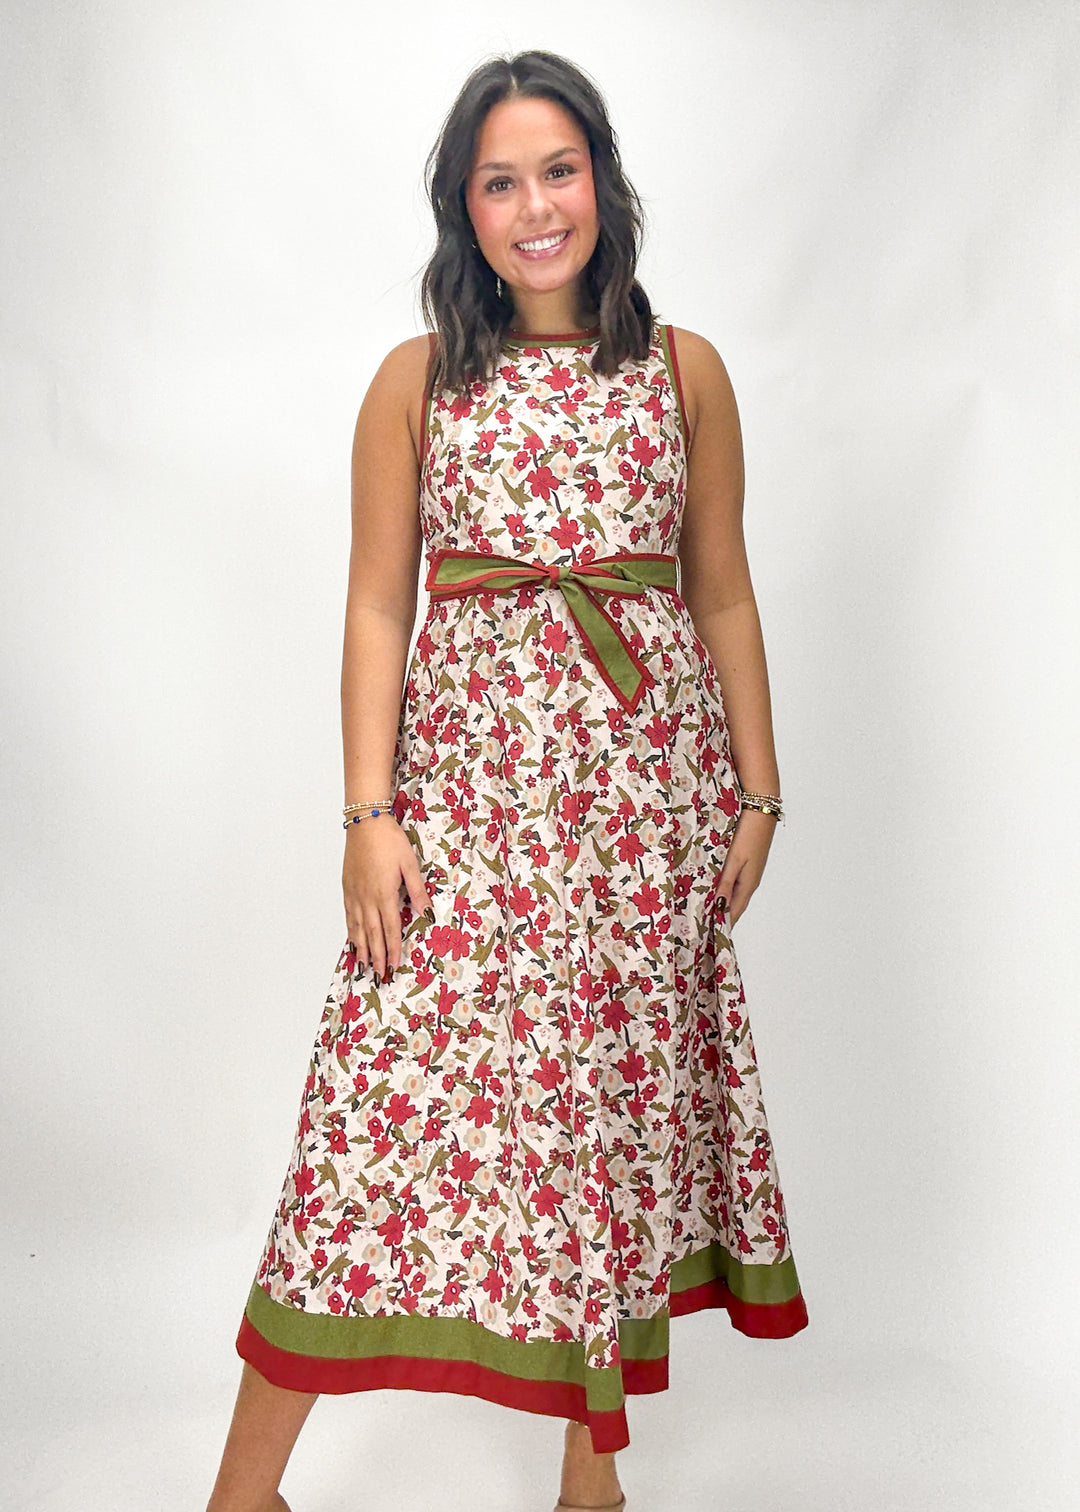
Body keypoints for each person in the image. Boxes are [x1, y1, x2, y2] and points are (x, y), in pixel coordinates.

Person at [206, 48, 808, 1512]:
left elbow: (719, 591)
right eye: (500, 180)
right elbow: (373, 608)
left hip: (639, 823)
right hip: (466, 823)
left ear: (602, 180)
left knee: (605, 1120)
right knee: (370, 1122)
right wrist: (369, 819)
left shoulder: (686, 373)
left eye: (559, 169)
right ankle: (242, 1494)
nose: (536, 205)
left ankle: (589, 1486)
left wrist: (756, 791)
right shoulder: (417, 384)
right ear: (459, 209)